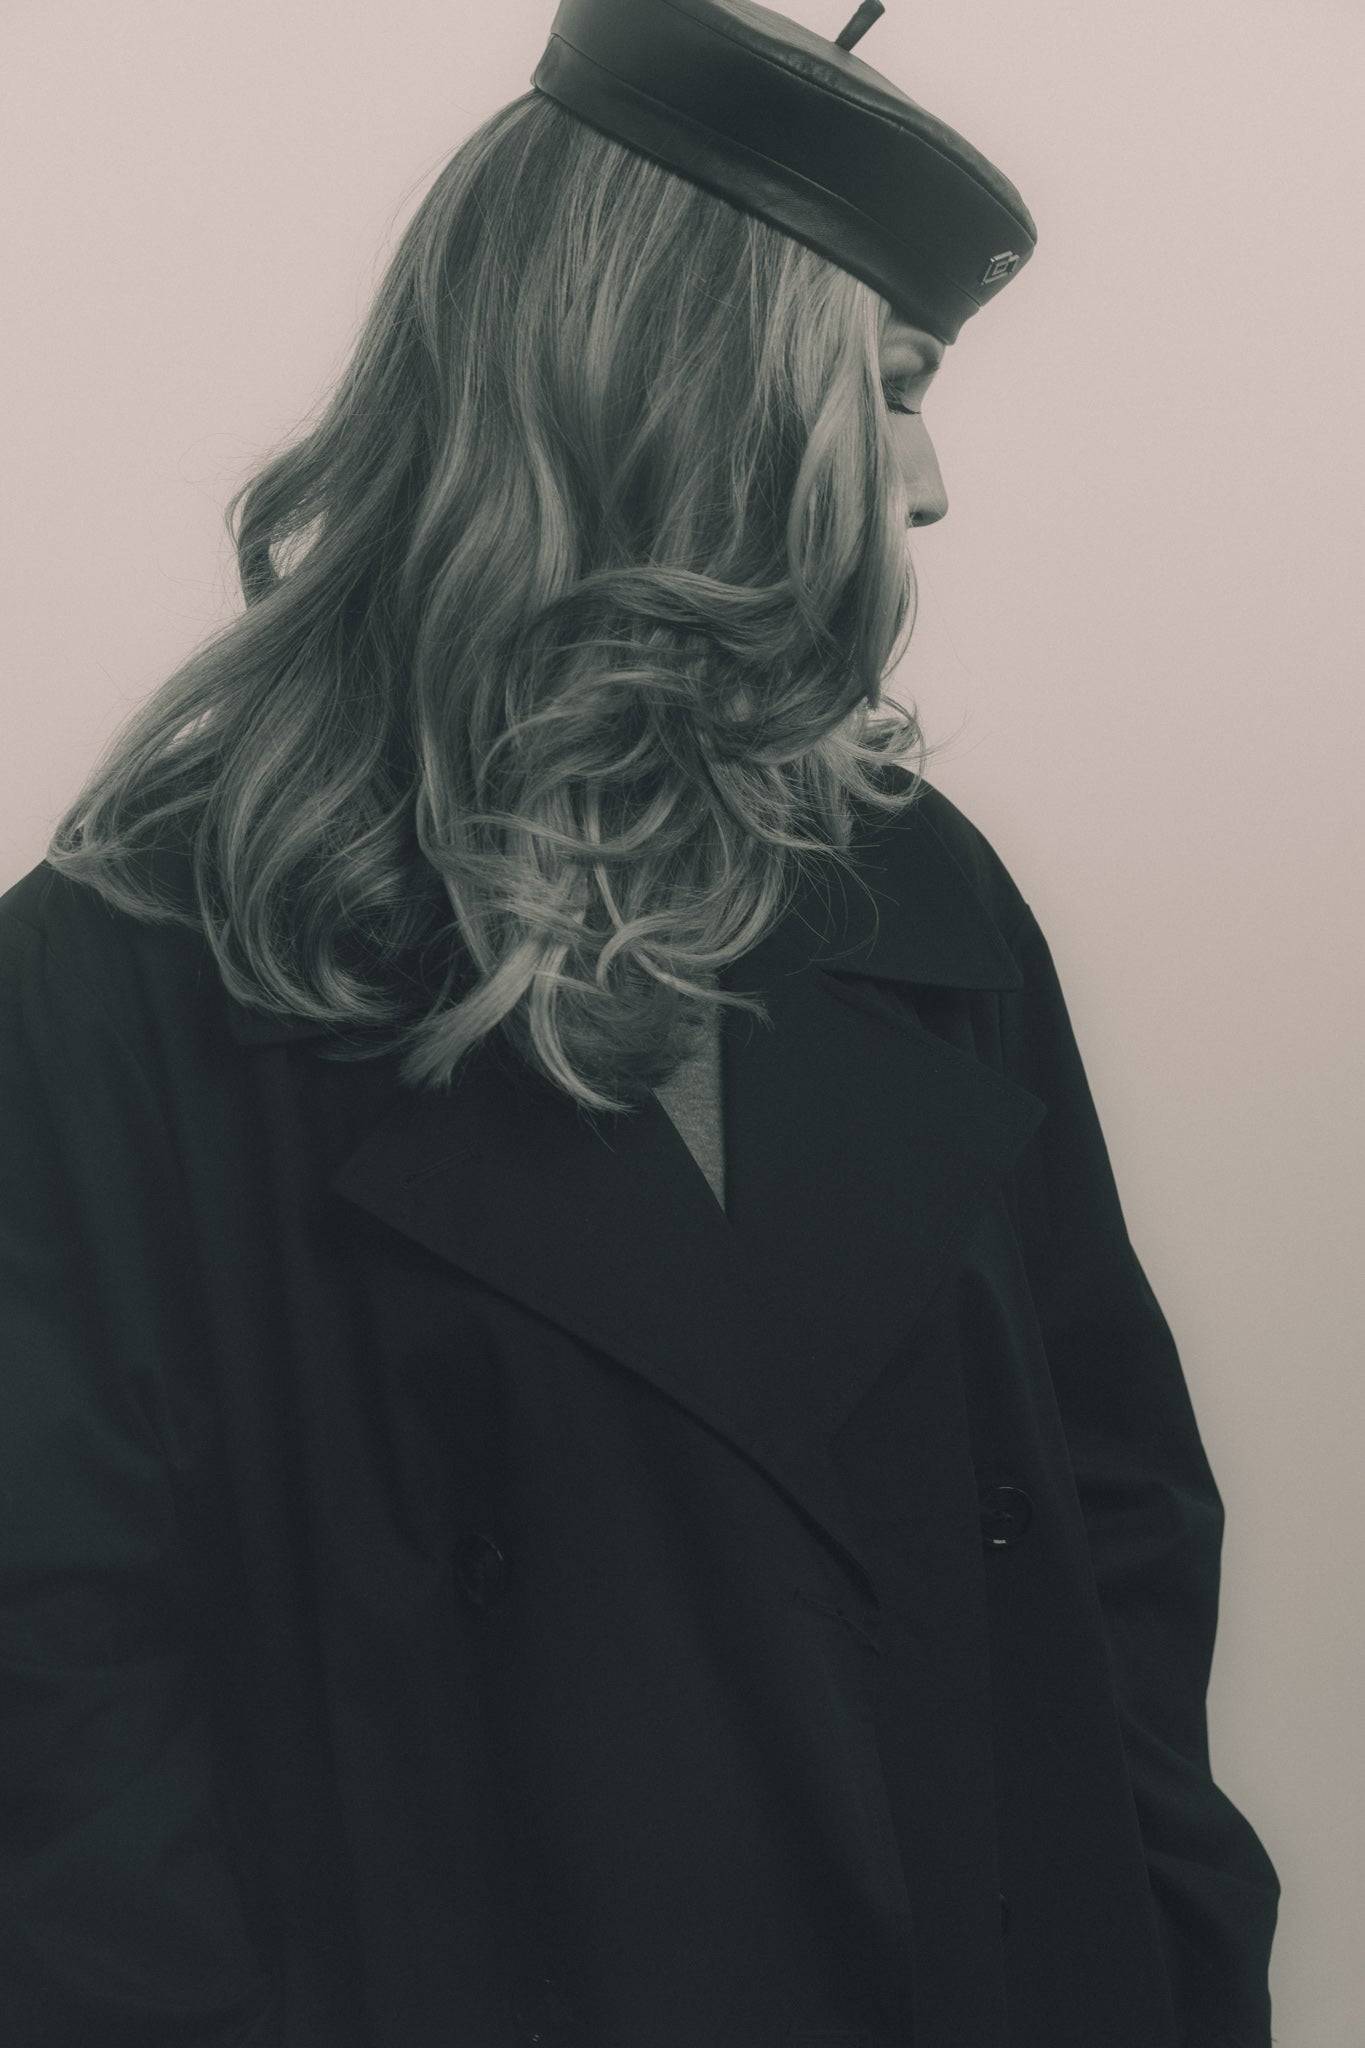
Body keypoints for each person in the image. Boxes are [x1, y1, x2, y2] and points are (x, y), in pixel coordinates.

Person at [0, 2, 1280, 2044]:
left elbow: (1114, 1509)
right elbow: (60, 1731)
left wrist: (1171, 1946)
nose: (930, 485)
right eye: (890, 387)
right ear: (684, 384)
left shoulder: (912, 885)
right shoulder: (140, 968)